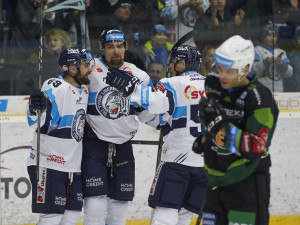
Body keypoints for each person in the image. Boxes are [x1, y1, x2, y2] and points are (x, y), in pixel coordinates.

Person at [106, 45, 208, 225]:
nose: (169, 67)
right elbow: (162, 121)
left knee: (165, 213)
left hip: (177, 161)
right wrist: (140, 111)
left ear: (182, 64)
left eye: (172, 63)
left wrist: (132, 90)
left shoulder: (172, 84)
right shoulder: (213, 86)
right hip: (205, 164)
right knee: (184, 214)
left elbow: (155, 104)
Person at [192, 35, 279, 225]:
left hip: (246, 183)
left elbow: (255, 148)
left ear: (246, 69)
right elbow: (216, 121)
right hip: (215, 182)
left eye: (229, 71)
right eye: (220, 69)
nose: (222, 75)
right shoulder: (213, 84)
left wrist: (217, 125)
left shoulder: (260, 98)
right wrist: (206, 140)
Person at [81, 29, 153, 225]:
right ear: (102, 49)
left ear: (125, 48)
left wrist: (166, 124)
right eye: (110, 47)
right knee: (95, 201)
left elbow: (149, 113)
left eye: (119, 46)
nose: (115, 51)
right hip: (93, 143)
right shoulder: (88, 69)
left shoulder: (140, 76)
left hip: (123, 145)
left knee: (121, 201)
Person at [26, 48, 92, 225]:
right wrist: (36, 107)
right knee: (52, 216)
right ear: (72, 69)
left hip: (73, 167)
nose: (90, 69)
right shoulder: (56, 86)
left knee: (70, 218)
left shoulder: (84, 91)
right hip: (49, 164)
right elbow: (38, 123)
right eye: (86, 65)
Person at [252, 22, 293, 92]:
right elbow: (254, 71)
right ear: (263, 36)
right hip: (262, 90)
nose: (272, 38)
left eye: (275, 36)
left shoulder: (281, 52)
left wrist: (282, 64)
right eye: (269, 35)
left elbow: (289, 73)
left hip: (279, 90)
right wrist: (267, 61)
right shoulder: (257, 50)